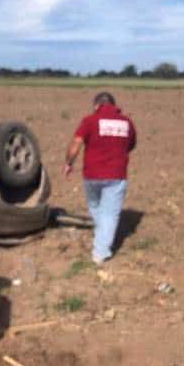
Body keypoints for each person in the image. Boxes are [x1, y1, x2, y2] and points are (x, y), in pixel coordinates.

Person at [63, 92, 136, 264]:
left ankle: (100, 247)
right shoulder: (127, 123)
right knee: (109, 214)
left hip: (91, 175)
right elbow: (131, 145)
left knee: (96, 207)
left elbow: (76, 143)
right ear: (113, 104)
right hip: (116, 175)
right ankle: (101, 251)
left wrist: (68, 163)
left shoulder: (89, 120)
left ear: (97, 105)